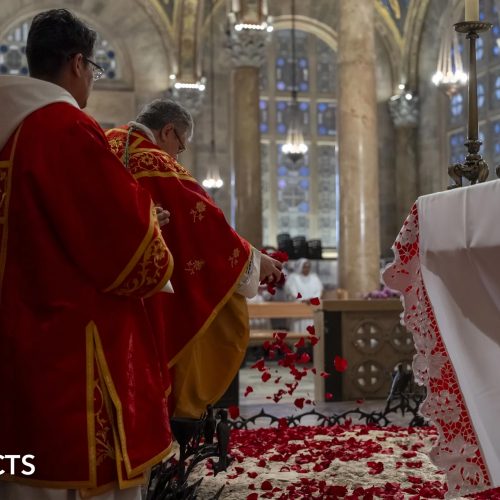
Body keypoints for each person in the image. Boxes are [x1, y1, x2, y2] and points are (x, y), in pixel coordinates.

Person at [0, 9, 175, 500]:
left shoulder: (10, 130)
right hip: (65, 346)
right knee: (63, 469)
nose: (93, 81)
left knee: (16, 462)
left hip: (13, 332)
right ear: (78, 64)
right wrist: (150, 225)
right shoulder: (64, 128)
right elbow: (119, 240)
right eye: (94, 69)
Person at [106, 99, 283, 418]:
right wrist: (256, 261)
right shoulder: (157, 163)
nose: (177, 155)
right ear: (167, 131)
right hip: (145, 290)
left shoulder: (105, 143)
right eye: (180, 146)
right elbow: (205, 224)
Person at [284, 258, 323, 332]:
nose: (307, 269)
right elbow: (292, 291)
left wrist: (312, 299)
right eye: (305, 267)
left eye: (308, 267)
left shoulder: (314, 278)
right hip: (298, 306)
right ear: (300, 267)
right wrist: (302, 300)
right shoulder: (294, 278)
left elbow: (318, 291)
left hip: (311, 306)